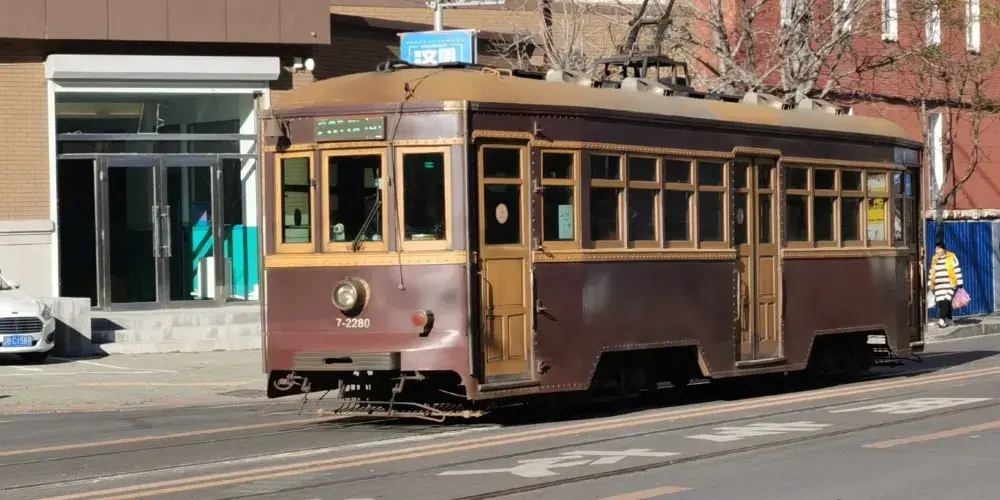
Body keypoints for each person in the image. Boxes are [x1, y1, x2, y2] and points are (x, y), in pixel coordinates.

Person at [928, 240, 964, 327]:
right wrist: (930, 284)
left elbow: (956, 268)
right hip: (938, 285)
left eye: (938, 249)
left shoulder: (951, 256)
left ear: (943, 249)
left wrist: (959, 282)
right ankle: (949, 320)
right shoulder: (934, 259)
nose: (936, 251)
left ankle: (941, 320)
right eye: (936, 249)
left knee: (946, 300)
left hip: (950, 284)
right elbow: (931, 272)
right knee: (942, 303)